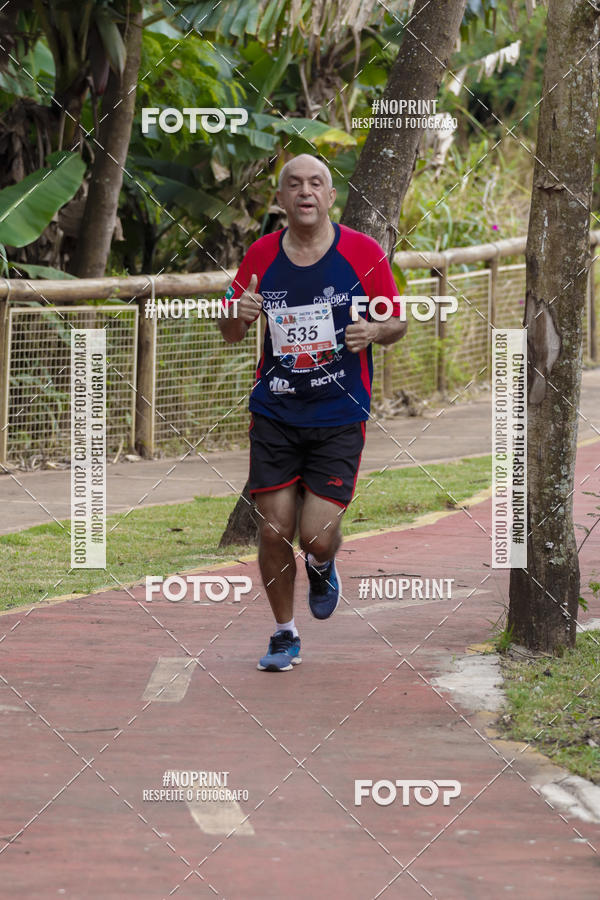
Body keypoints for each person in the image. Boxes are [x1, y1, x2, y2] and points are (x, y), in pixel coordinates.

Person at [219, 153, 406, 671]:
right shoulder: (260, 255)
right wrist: (238, 315)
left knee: (315, 536)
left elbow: (398, 323)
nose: (305, 191)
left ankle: (322, 564)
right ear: (280, 199)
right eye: (294, 184)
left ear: (330, 197)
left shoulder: (363, 253)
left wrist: (374, 330)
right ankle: (284, 633)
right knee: (274, 529)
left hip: (338, 413)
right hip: (275, 411)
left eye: (316, 183)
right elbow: (231, 330)